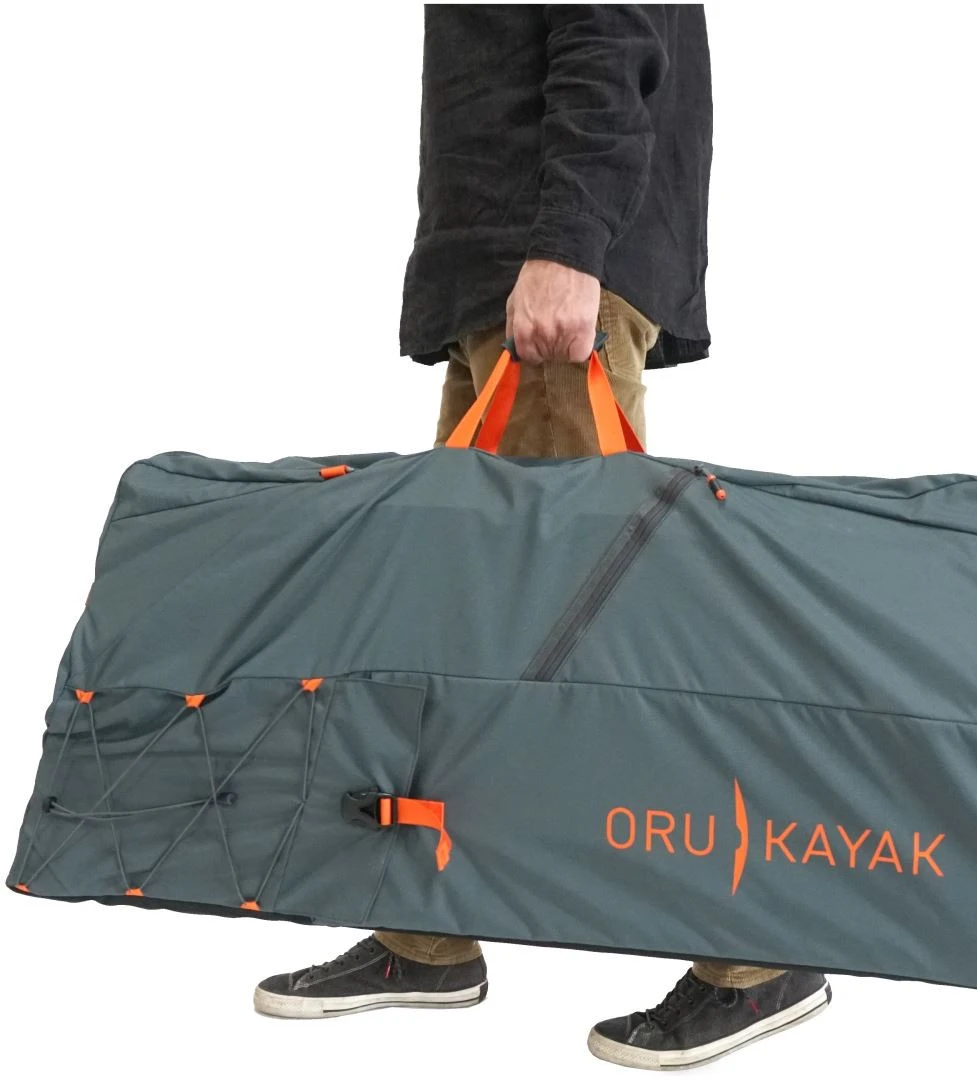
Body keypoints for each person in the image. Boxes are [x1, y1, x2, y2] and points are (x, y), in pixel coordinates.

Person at [253, 5, 830, 1070]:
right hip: (505, 294)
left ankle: (759, 954)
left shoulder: (561, 263)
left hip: (554, 291)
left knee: (596, 648)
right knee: (465, 635)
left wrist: (567, 245)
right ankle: (426, 940)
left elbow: (610, 35)